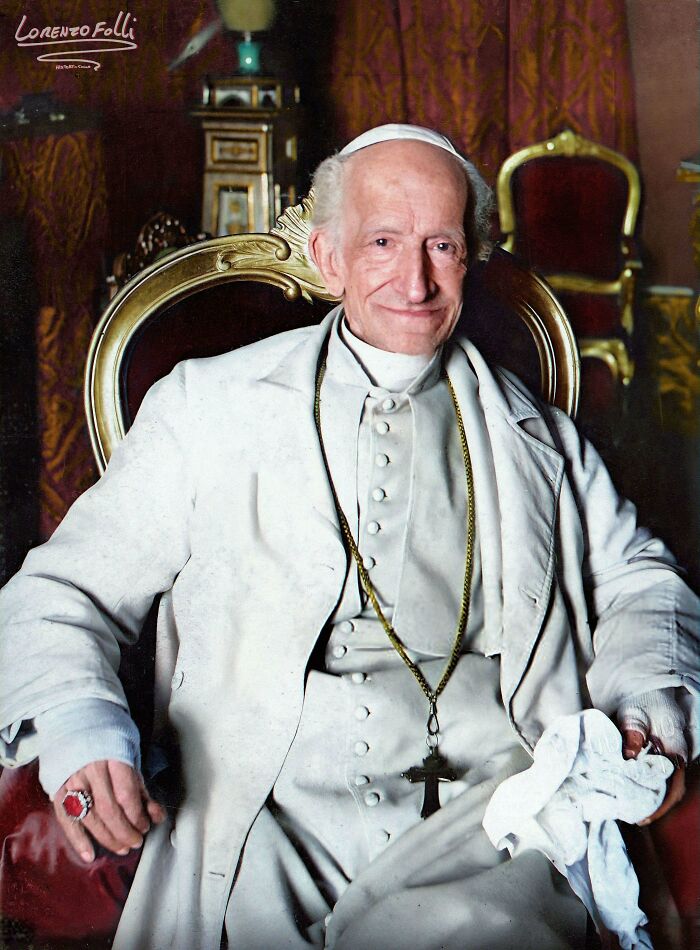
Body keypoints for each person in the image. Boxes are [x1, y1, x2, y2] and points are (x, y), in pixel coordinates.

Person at [0, 124, 698, 950]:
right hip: (264, 810)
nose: (415, 279)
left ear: (471, 259)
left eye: (442, 244)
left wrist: (645, 704)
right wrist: (84, 729)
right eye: (382, 242)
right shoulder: (209, 409)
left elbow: (642, 581)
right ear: (328, 259)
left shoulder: (532, 434)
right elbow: (60, 592)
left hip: (492, 817)